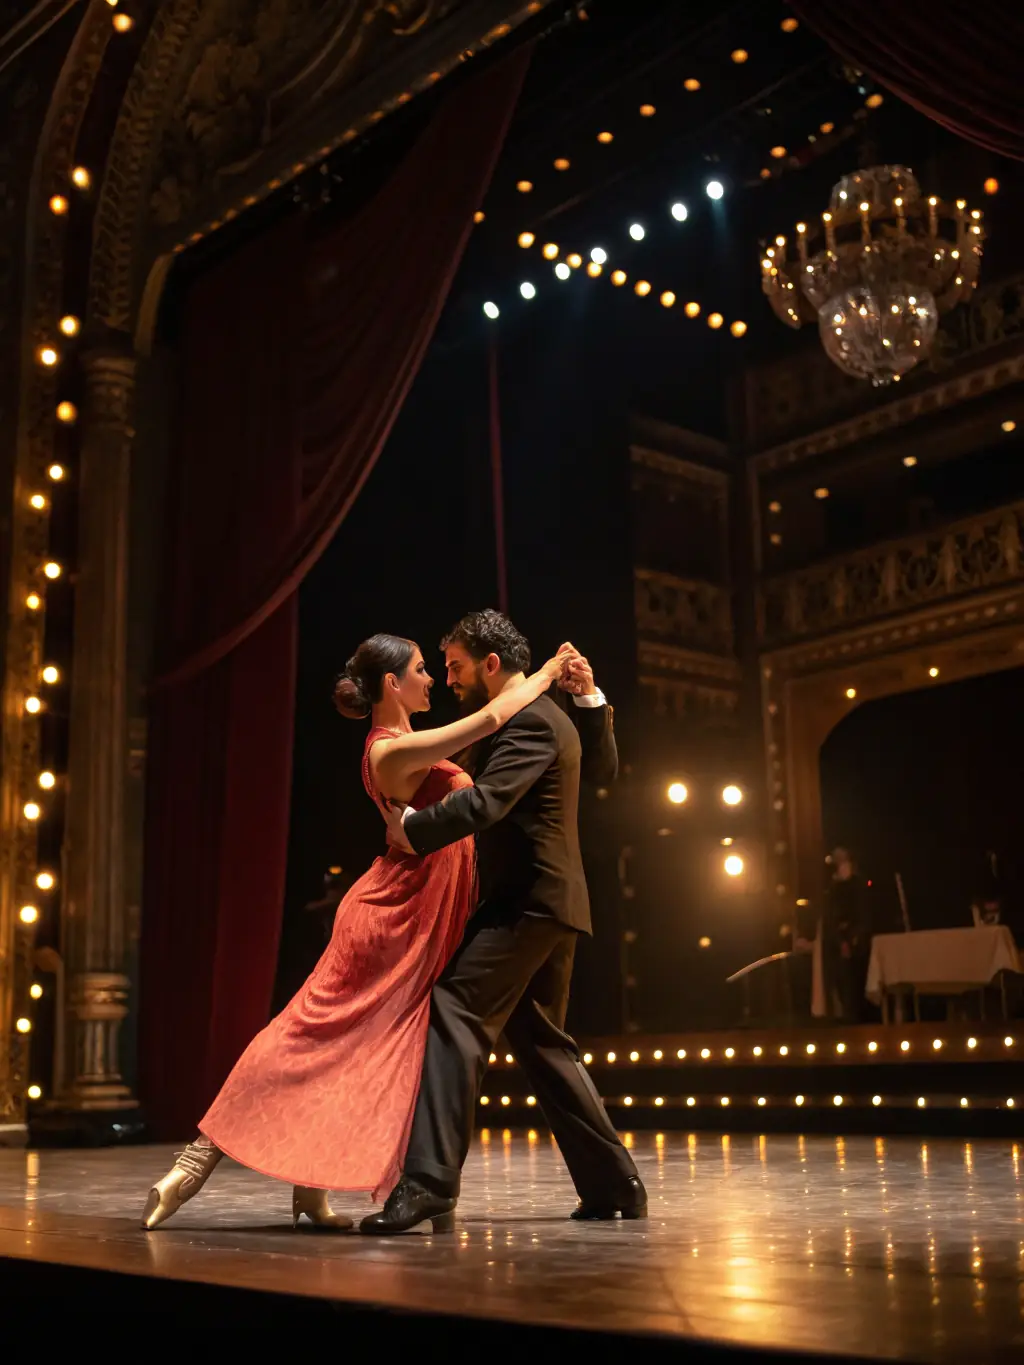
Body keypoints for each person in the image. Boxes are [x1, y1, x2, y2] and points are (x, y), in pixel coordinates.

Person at [140, 631, 578, 1231]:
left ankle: (309, 1192)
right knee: (305, 1033)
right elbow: (495, 714)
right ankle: (193, 1164)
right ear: (392, 685)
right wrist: (552, 668)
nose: (434, 680)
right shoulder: (389, 751)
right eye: (424, 669)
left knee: (346, 1047)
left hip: (418, 909)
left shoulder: (405, 744)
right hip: (393, 912)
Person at [362, 609, 645, 1235]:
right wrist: (591, 701)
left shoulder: (530, 722)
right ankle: (614, 1185)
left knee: (454, 1012)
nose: (448, 678)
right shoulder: (545, 718)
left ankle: (429, 1184)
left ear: (492, 664)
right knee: (542, 1043)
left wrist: (412, 831)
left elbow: (488, 803)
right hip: (551, 903)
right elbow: (599, 770)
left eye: (456, 667)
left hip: (529, 902)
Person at [821, 847, 869, 1023]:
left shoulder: (858, 886)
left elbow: (863, 914)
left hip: (858, 946)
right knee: (844, 990)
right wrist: (840, 940)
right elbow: (831, 917)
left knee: (857, 988)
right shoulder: (833, 889)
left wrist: (853, 938)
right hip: (839, 946)